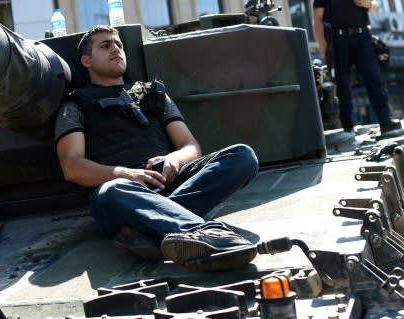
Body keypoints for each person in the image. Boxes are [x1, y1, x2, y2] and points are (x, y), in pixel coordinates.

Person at [54, 25, 259, 270]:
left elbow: (190, 145)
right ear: (86, 60)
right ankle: (203, 232)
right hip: (123, 196)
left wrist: (174, 160)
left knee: (242, 156)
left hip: (169, 181)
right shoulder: (75, 105)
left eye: (118, 44)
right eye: (105, 45)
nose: (116, 49)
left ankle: (147, 230)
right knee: (111, 191)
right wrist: (128, 175)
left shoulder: (153, 94)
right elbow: (72, 165)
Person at [313, 0, 401, 136]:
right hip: (339, 40)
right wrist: (321, 43)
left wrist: (367, 3)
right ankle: (348, 128)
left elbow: (375, 6)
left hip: (363, 37)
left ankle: (385, 122)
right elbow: (317, 18)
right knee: (343, 85)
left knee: (374, 79)